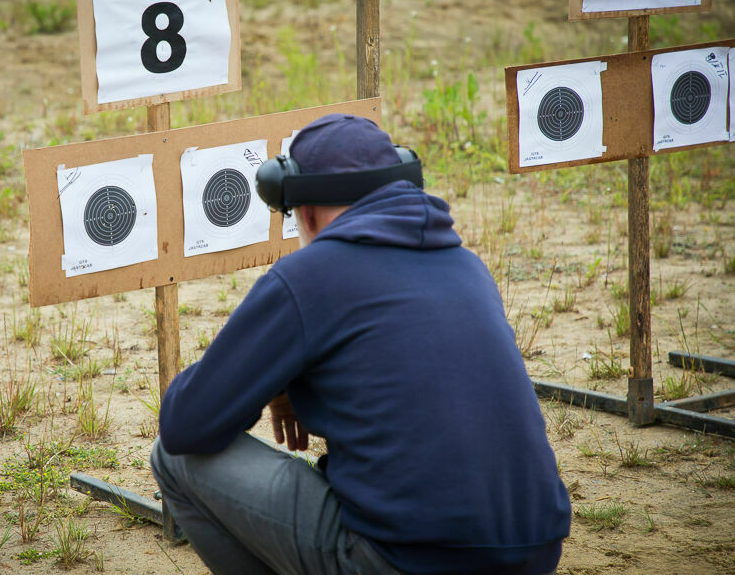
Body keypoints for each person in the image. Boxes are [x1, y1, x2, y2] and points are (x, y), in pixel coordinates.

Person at [150, 114, 571, 575]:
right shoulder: (468, 268)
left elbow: (185, 423)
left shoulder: (311, 276)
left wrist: (269, 375)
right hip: (536, 553)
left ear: (304, 210)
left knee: (172, 457)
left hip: (406, 561)